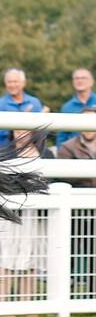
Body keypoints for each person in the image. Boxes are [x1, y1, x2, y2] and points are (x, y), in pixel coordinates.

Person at [0, 129, 50, 310]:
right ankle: (2, 306)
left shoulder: (46, 153)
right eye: (17, 128)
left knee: (30, 260)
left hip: (34, 217)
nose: (21, 132)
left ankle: (26, 306)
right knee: (5, 259)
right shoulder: (3, 153)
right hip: (8, 215)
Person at [57, 107, 96, 297]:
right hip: (76, 208)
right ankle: (65, 295)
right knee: (70, 252)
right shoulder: (68, 147)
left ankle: (91, 295)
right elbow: (63, 179)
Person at [0, 68, 49, 146]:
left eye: (15, 82)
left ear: (24, 83)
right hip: (4, 151)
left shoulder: (34, 102)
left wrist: (43, 118)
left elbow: (44, 132)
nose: (12, 85)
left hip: (29, 150)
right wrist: (24, 120)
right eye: (9, 82)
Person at [57, 69, 96, 146]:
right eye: (77, 78)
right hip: (74, 153)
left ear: (92, 82)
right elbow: (62, 136)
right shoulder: (67, 107)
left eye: (83, 78)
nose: (80, 81)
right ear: (73, 82)